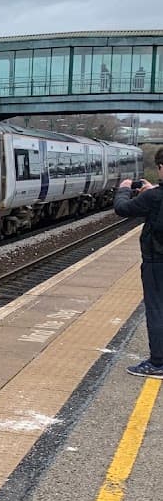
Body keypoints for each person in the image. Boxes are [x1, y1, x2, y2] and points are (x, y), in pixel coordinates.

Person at [114, 148, 163, 377]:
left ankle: (158, 363)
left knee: (157, 311)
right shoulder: (154, 195)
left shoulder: (154, 197)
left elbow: (122, 209)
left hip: (157, 262)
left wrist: (124, 189)